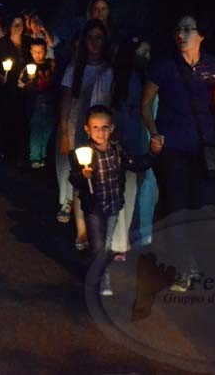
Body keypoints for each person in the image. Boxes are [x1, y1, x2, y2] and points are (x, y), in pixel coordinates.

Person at [141, 13, 215, 291]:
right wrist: (153, 131)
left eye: (187, 29)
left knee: (202, 207)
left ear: (200, 35)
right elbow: (145, 104)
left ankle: (196, 261)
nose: (181, 35)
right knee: (177, 207)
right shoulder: (164, 67)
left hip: (203, 147)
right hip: (172, 148)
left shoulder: (213, 67)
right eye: (178, 29)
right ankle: (184, 268)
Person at [69, 105, 161, 296]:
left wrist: (152, 153)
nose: (100, 132)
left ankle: (101, 273)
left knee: (107, 242)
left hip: (113, 206)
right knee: (97, 244)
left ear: (111, 129)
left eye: (104, 127)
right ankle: (102, 276)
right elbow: (74, 178)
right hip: (93, 207)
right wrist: (82, 174)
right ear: (87, 129)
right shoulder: (82, 154)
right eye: (95, 127)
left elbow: (136, 164)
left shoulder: (118, 151)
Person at [57, 20, 113, 252]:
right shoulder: (74, 69)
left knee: (102, 181)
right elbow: (66, 102)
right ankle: (81, 230)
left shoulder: (110, 70)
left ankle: (99, 230)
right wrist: (64, 134)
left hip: (102, 131)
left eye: (99, 37)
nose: (94, 43)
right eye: (90, 37)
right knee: (83, 179)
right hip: (79, 127)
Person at [110, 36, 158, 258]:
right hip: (127, 137)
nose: (146, 58)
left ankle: (138, 236)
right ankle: (121, 240)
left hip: (146, 138)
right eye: (142, 52)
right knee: (125, 188)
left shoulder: (150, 79)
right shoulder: (122, 79)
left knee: (144, 187)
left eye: (148, 53)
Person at [0, 14, 28, 162]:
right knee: (7, 119)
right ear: (9, 27)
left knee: (22, 120)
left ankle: (21, 151)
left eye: (20, 25)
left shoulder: (28, 43)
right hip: (7, 89)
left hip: (24, 89)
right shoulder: (1, 44)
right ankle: (6, 149)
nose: (18, 28)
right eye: (15, 24)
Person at [17, 40, 55, 169]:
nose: (38, 55)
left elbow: (57, 80)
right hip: (35, 102)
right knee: (36, 130)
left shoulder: (51, 65)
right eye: (36, 52)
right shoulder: (28, 67)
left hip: (50, 101)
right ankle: (35, 157)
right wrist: (28, 84)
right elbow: (20, 83)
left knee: (48, 129)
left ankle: (44, 155)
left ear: (45, 51)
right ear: (31, 52)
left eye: (41, 51)